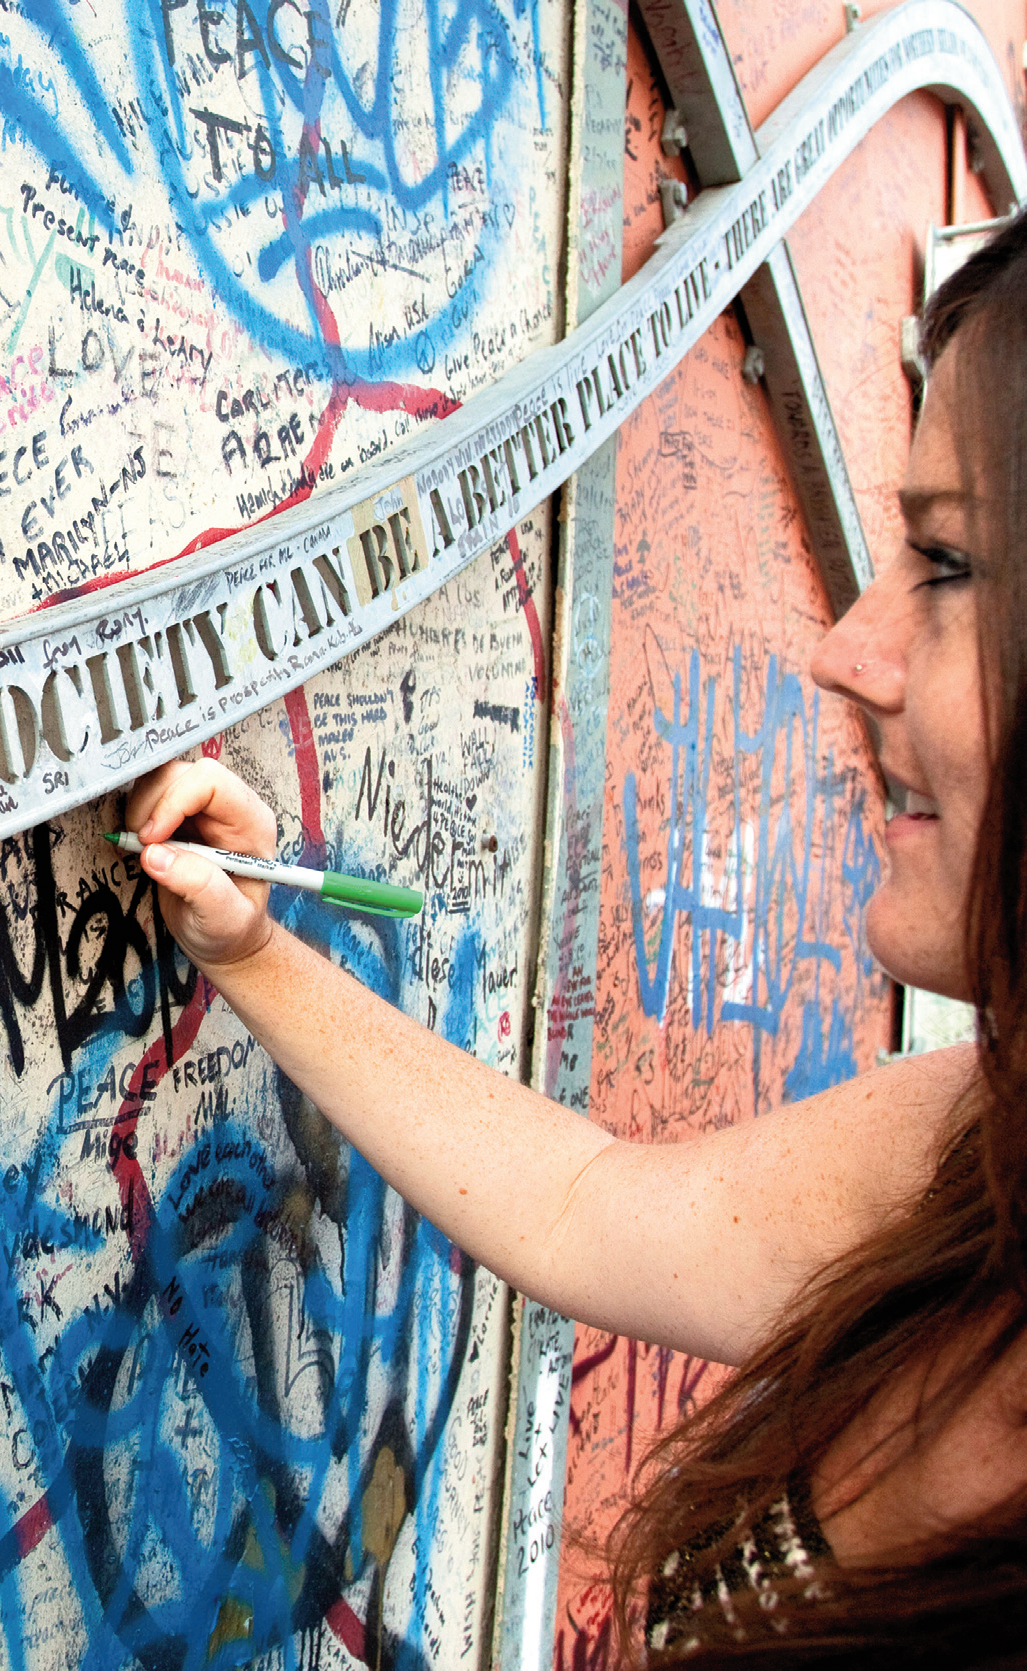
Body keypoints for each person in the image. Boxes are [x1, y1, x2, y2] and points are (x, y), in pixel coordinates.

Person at [124, 209, 1027, 1662]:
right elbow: (579, 1205)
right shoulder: (981, 1153)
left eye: (945, 562)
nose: (842, 650)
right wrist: (250, 947)